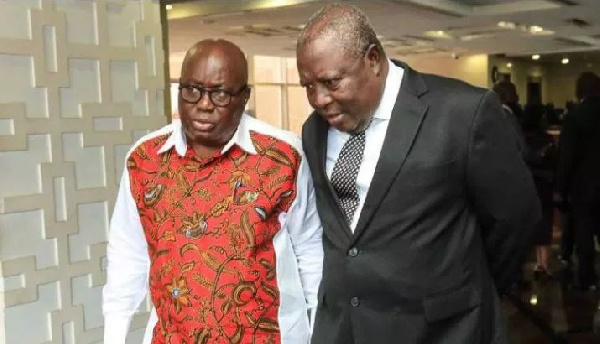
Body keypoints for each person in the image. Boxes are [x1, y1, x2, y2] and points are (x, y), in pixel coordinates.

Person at [296, 4, 541, 343]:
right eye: (307, 86)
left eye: (331, 82)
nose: (319, 99)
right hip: (345, 329)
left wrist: (469, 290)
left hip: (443, 331)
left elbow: (516, 219)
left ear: (373, 60)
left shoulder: (463, 113)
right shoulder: (314, 131)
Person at [103, 39, 323, 344]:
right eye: (191, 90)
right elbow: (127, 256)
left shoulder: (282, 157)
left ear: (244, 96)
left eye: (219, 94)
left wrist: (321, 331)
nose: (204, 104)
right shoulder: (144, 160)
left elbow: (310, 251)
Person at [555, 71, 600, 290]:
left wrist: (560, 187)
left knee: (584, 233)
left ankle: (587, 277)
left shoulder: (574, 116)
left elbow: (567, 156)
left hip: (583, 185)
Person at [520, 104, 557, 277]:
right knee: (545, 222)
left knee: (533, 222)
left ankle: (538, 262)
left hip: (528, 183)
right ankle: (543, 262)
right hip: (545, 183)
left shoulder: (521, 138)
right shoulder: (547, 140)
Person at [492, 80, 527, 154]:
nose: (517, 96)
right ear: (507, 95)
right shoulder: (507, 116)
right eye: (514, 93)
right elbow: (521, 148)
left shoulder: (492, 113)